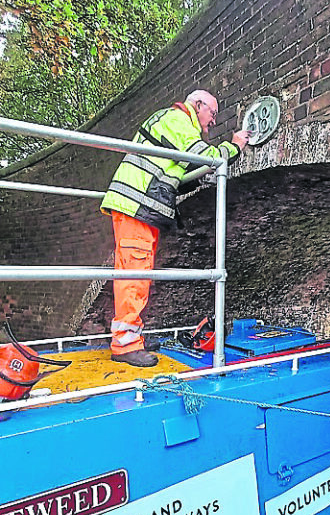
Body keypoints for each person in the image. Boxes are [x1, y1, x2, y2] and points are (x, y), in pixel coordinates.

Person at [101, 90, 250, 368]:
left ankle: (131, 337)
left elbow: (177, 172)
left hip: (135, 206)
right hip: (137, 205)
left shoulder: (168, 120)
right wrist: (235, 146)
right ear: (198, 105)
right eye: (213, 114)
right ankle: (125, 344)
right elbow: (206, 158)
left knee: (135, 273)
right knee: (135, 275)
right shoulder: (178, 120)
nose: (212, 122)